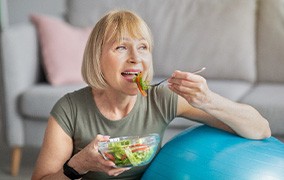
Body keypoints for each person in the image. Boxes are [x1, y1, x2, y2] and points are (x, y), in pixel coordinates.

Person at [31, 10, 271, 180]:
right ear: (97, 58)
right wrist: (79, 165)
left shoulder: (161, 98)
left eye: (143, 47)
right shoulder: (69, 109)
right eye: (121, 47)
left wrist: (208, 100)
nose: (136, 57)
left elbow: (260, 129)